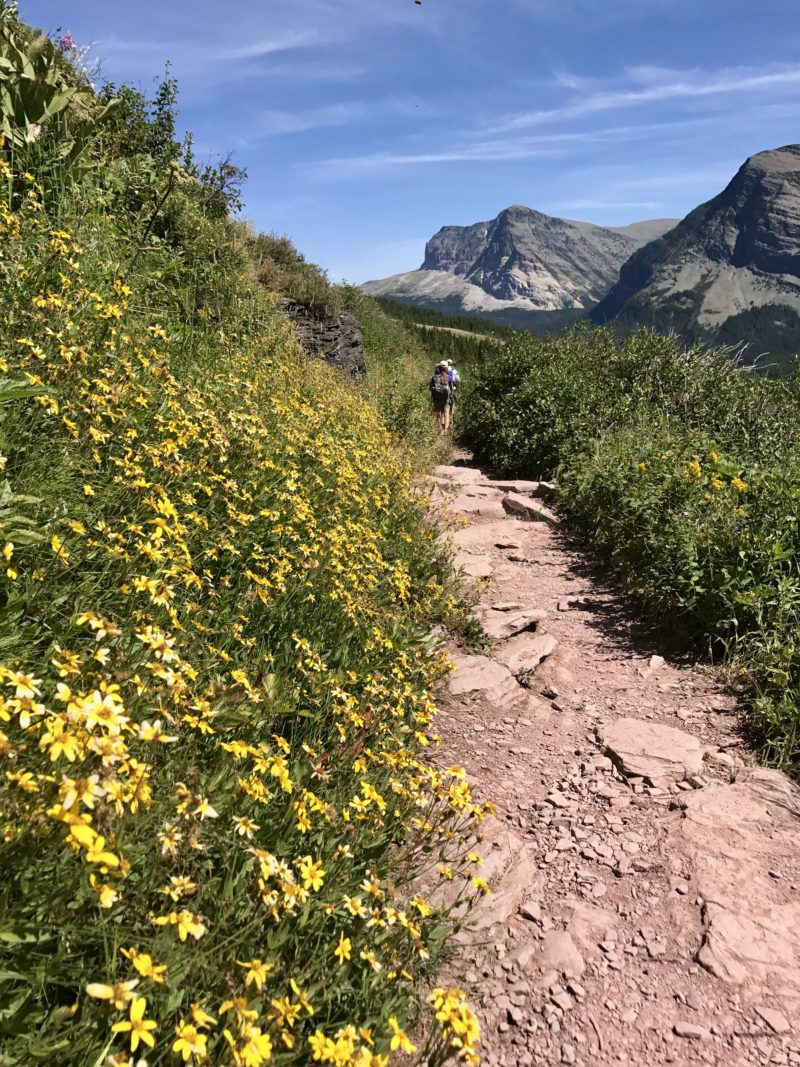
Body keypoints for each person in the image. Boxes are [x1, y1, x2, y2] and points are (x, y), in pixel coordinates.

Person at [429, 361, 452, 434]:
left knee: (437, 414)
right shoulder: (449, 377)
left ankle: (439, 430)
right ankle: (445, 430)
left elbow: (430, 388)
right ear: (446, 369)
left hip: (436, 398)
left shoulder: (433, 377)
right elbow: (451, 389)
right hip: (445, 399)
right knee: (446, 414)